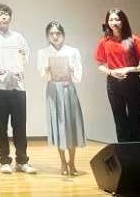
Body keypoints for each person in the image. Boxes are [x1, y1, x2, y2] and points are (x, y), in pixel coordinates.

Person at [0, 3, 36, 174]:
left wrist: (21, 60)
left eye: (7, 14)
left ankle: (22, 161)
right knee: (1, 125)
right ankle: (4, 160)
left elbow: (26, 56)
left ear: (10, 17)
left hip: (18, 87)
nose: (4, 17)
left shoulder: (18, 37)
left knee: (20, 125)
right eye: (0, 14)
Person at [95, 9, 140, 143]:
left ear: (123, 21)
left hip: (132, 82)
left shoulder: (133, 39)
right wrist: (111, 72)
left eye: (117, 19)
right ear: (107, 22)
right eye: (110, 19)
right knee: (119, 120)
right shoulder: (104, 42)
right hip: (113, 83)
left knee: (135, 121)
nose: (113, 22)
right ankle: (124, 153)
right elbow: (100, 64)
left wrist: (128, 69)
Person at [37, 21, 86, 176]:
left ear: (63, 34)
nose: (55, 36)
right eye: (51, 33)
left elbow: (78, 77)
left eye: (58, 33)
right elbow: (42, 77)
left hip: (68, 89)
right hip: (53, 91)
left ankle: (72, 162)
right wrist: (46, 70)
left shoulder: (73, 51)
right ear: (47, 36)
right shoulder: (43, 53)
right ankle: (63, 163)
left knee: (71, 125)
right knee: (59, 126)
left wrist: (72, 70)